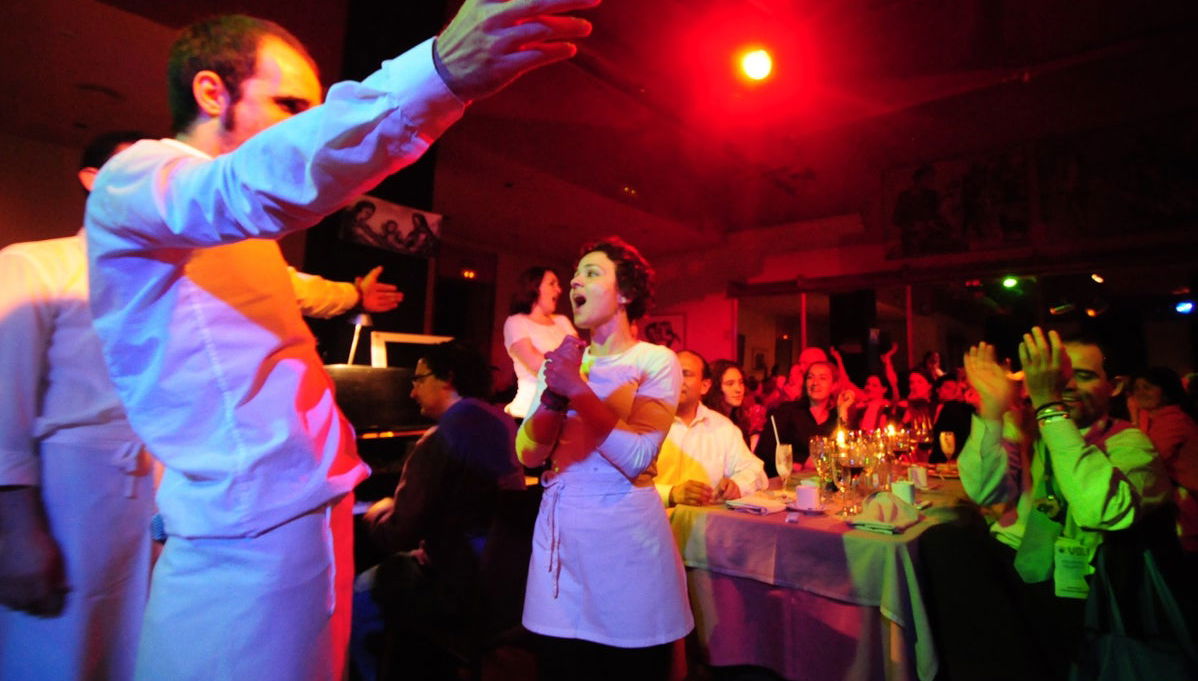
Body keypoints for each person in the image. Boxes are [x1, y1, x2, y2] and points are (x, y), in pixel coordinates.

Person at [83, 5, 599, 681]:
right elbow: (244, 188)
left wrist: (353, 296)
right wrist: (436, 73)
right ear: (213, 93)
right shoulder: (138, 177)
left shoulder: (235, 239)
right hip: (243, 549)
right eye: (289, 103)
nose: (304, 122)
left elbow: (294, 284)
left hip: (299, 530)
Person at [922, 328, 1171, 680]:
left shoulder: (1131, 443)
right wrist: (992, 410)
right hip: (1014, 557)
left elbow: (1100, 510)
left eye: (1081, 376)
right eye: (1056, 376)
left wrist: (1050, 408)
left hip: (1078, 582)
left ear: (1114, 386)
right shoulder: (1027, 428)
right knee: (940, 541)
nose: (1063, 386)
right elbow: (984, 492)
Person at [0, 130, 153, 681]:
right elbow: (2, 406)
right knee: (58, 653)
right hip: (70, 497)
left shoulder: (172, 279)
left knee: (142, 651)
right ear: (92, 180)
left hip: (160, 497)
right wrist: (15, 532)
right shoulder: (33, 264)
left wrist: (350, 294)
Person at [517, 237, 691, 681]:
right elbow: (530, 455)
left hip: (626, 544)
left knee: (627, 667)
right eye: (575, 273)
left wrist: (577, 389)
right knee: (561, 668)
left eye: (592, 272)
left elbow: (636, 456)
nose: (575, 280)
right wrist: (554, 395)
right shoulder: (559, 363)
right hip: (561, 541)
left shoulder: (655, 360)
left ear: (626, 293)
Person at [359, 340, 525, 678]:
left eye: (418, 380)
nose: (411, 392)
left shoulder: (441, 439)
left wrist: (377, 509)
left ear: (447, 378)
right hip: (504, 586)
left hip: (454, 587)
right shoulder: (504, 424)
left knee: (353, 598)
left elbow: (398, 532)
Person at [655, 351, 767, 507]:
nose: (676, 379)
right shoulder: (645, 423)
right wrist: (671, 494)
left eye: (685, 374)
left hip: (708, 527)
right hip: (654, 526)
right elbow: (621, 485)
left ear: (705, 386)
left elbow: (755, 472)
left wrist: (736, 486)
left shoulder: (721, 427)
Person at [1130, 367, 1198, 552]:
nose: (1140, 392)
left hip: (1189, 506)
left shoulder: (1173, 420)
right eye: (1136, 388)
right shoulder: (1154, 418)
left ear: (1166, 390)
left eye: (1148, 387)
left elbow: (1149, 460)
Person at [754, 361, 854, 477]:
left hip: (822, 484)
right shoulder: (788, 411)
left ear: (834, 385)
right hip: (785, 482)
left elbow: (846, 454)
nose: (815, 383)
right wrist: (800, 462)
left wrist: (842, 409)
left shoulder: (834, 418)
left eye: (822, 378)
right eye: (810, 377)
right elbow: (764, 450)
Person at [503, 266, 577, 419]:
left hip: (565, 412)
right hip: (529, 412)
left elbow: (580, 358)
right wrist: (567, 363)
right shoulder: (516, 322)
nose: (559, 290)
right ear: (534, 287)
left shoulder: (562, 321)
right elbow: (537, 365)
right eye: (552, 284)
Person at [703, 359, 765, 448]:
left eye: (741, 382)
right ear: (715, 388)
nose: (738, 389)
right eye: (730, 384)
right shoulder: (708, 423)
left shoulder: (738, 419)